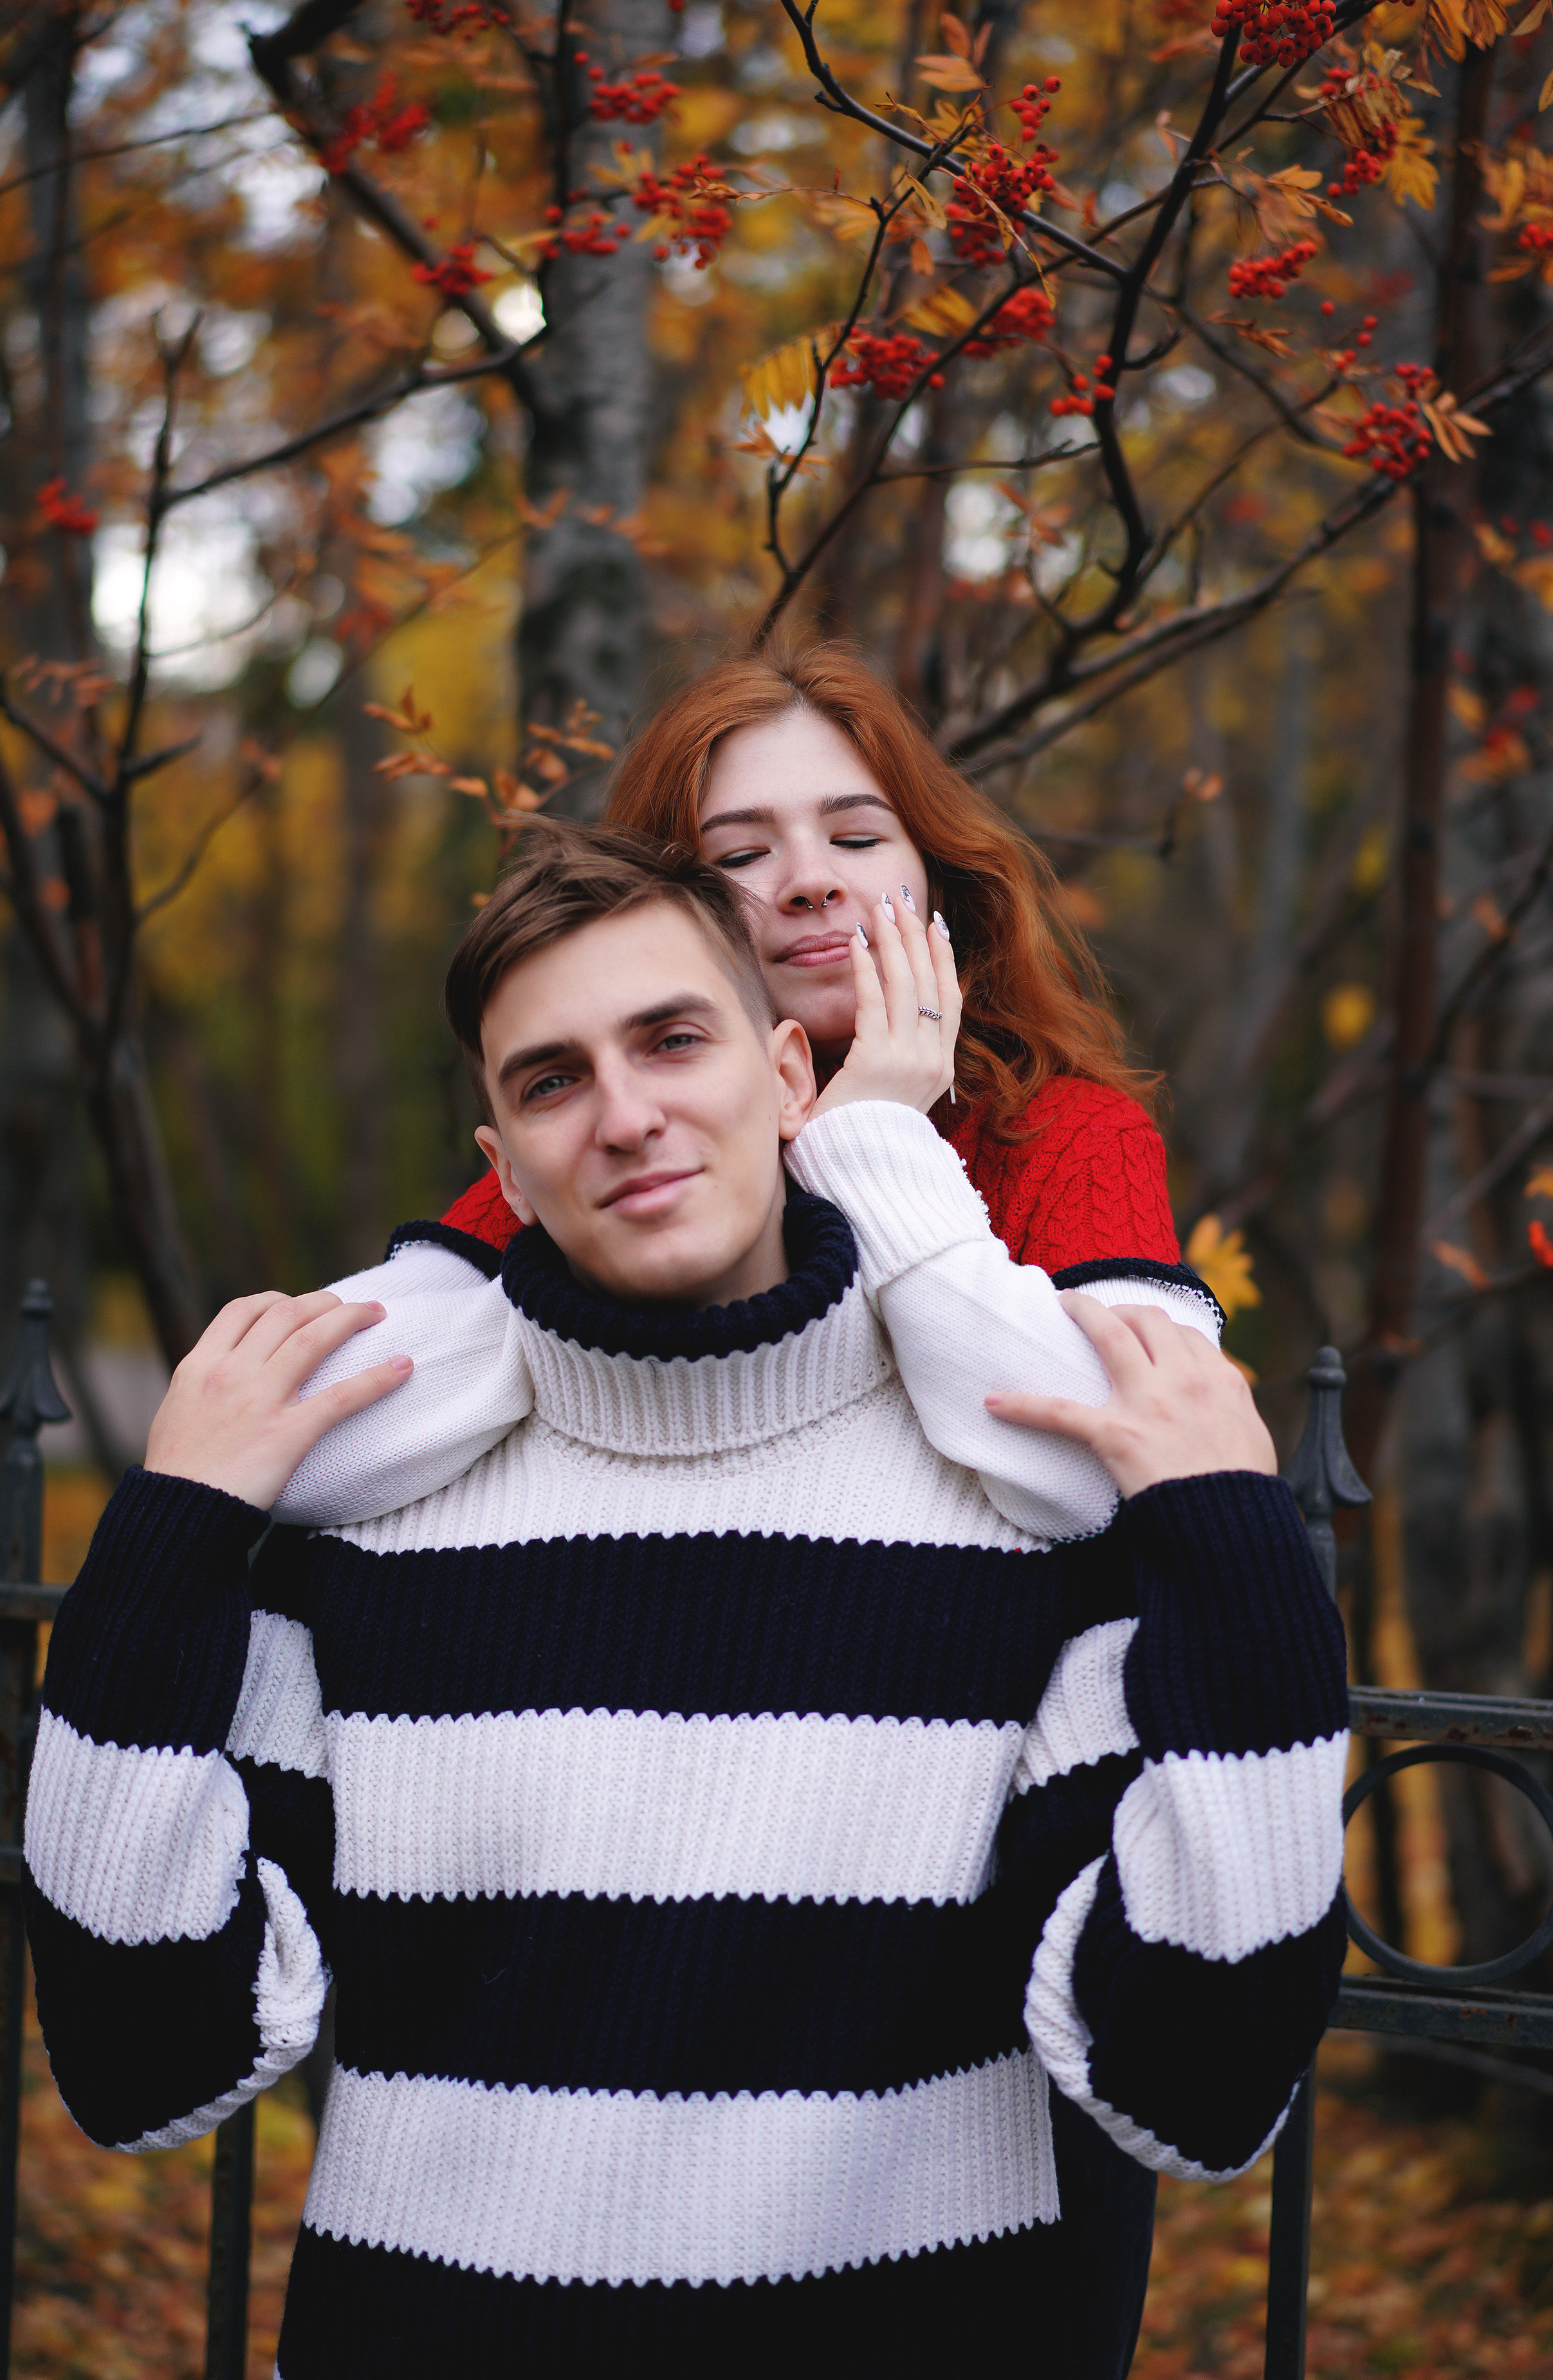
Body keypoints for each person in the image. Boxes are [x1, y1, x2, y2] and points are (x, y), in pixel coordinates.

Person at [25, 825, 1348, 2376]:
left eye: (671, 1039)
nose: (626, 1114)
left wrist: (1235, 1537)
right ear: (502, 1166)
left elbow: (1202, 2085)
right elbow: (137, 2058)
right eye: (553, 1079)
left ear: (790, 1078)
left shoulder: (1022, 1518)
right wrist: (174, 1523)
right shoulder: (364, 1531)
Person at [439, 634, 1178, 1284]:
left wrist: (867, 1138)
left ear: (936, 873)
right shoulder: (613, 1127)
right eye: (741, 854)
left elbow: (1132, 1388)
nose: (811, 881)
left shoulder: (1072, 1138)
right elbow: (409, 1314)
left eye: (856, 839)